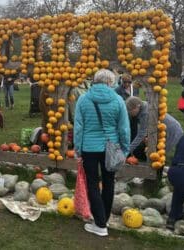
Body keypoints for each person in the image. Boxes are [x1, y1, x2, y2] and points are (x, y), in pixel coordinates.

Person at [74, 69, 130, 237]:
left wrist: (77, 149)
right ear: (110, 82)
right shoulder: (118, 100)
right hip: (111, 148)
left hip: (89, 148)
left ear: (95, 81)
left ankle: (99, 223)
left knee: (92, 183)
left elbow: (78, 128)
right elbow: (124, 128)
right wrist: (125, 149)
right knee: (109, 182)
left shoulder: (83, 99)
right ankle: (103, 220)